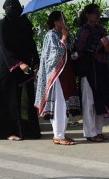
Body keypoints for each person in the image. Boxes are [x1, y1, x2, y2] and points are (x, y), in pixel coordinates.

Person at [0, 0, 41, 141]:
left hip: (25, 68)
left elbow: (31, 43)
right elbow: (4, 48)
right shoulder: (3, 25)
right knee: (9, 100)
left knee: (25, 100)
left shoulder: (24, 22)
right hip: (8, 68)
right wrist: (18, 63)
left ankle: (27, 130)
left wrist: (36, 60)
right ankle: (8, 132)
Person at [74, 4, 109, 142]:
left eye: (99, 13)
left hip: (101, 68)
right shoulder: (82, 31)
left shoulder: (101, 29)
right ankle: (89, 132)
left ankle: (98, 131)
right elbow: (79, 50)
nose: (98, 15)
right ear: (87, 15)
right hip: (88, 70)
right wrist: (96, 46)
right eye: (95, 13)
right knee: (89, 101)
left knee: (101, 100)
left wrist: (105, 46)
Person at [34, 11, 80, 145]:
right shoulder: (51, 35)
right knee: (59, 104)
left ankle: (61, 133)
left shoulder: (62, 34)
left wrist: (68, 39)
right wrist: (64, 39)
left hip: (66, 73)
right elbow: (54, 55)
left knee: (65, 104)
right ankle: (58, 135)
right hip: (56, 75)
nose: (64, 21)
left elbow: (69, 50)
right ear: (55, 21)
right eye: (62, 18)